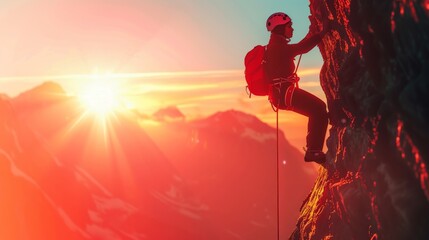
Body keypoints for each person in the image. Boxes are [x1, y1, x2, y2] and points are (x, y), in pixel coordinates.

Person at [264, 12, 329, 164]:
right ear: (281, 29)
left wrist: (313, 33)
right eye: (289, 26)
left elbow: (298, 47)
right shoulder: (277, 48)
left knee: (317, 110)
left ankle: (313, 149)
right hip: (285, 93)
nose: (292, 29)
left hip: (281, 94)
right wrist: (323, 32)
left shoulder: (275, 46)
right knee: (319, 109)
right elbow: (302, 48)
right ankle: (313, 150)